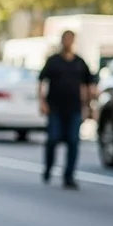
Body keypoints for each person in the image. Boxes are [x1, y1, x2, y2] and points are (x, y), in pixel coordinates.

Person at [38, 30, 96, 189]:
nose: (68, 42)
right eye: (66, 39)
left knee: (73, 141)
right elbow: (41, 81)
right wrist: (42, 102)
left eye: (71, 39)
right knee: (53, 139)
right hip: (55, 107)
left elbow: (89, 84)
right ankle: (48, 168)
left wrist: (89, 106)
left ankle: (68, 176)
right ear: (62, 41)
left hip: (74, 108)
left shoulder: (79, 62)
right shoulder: (53, 61)